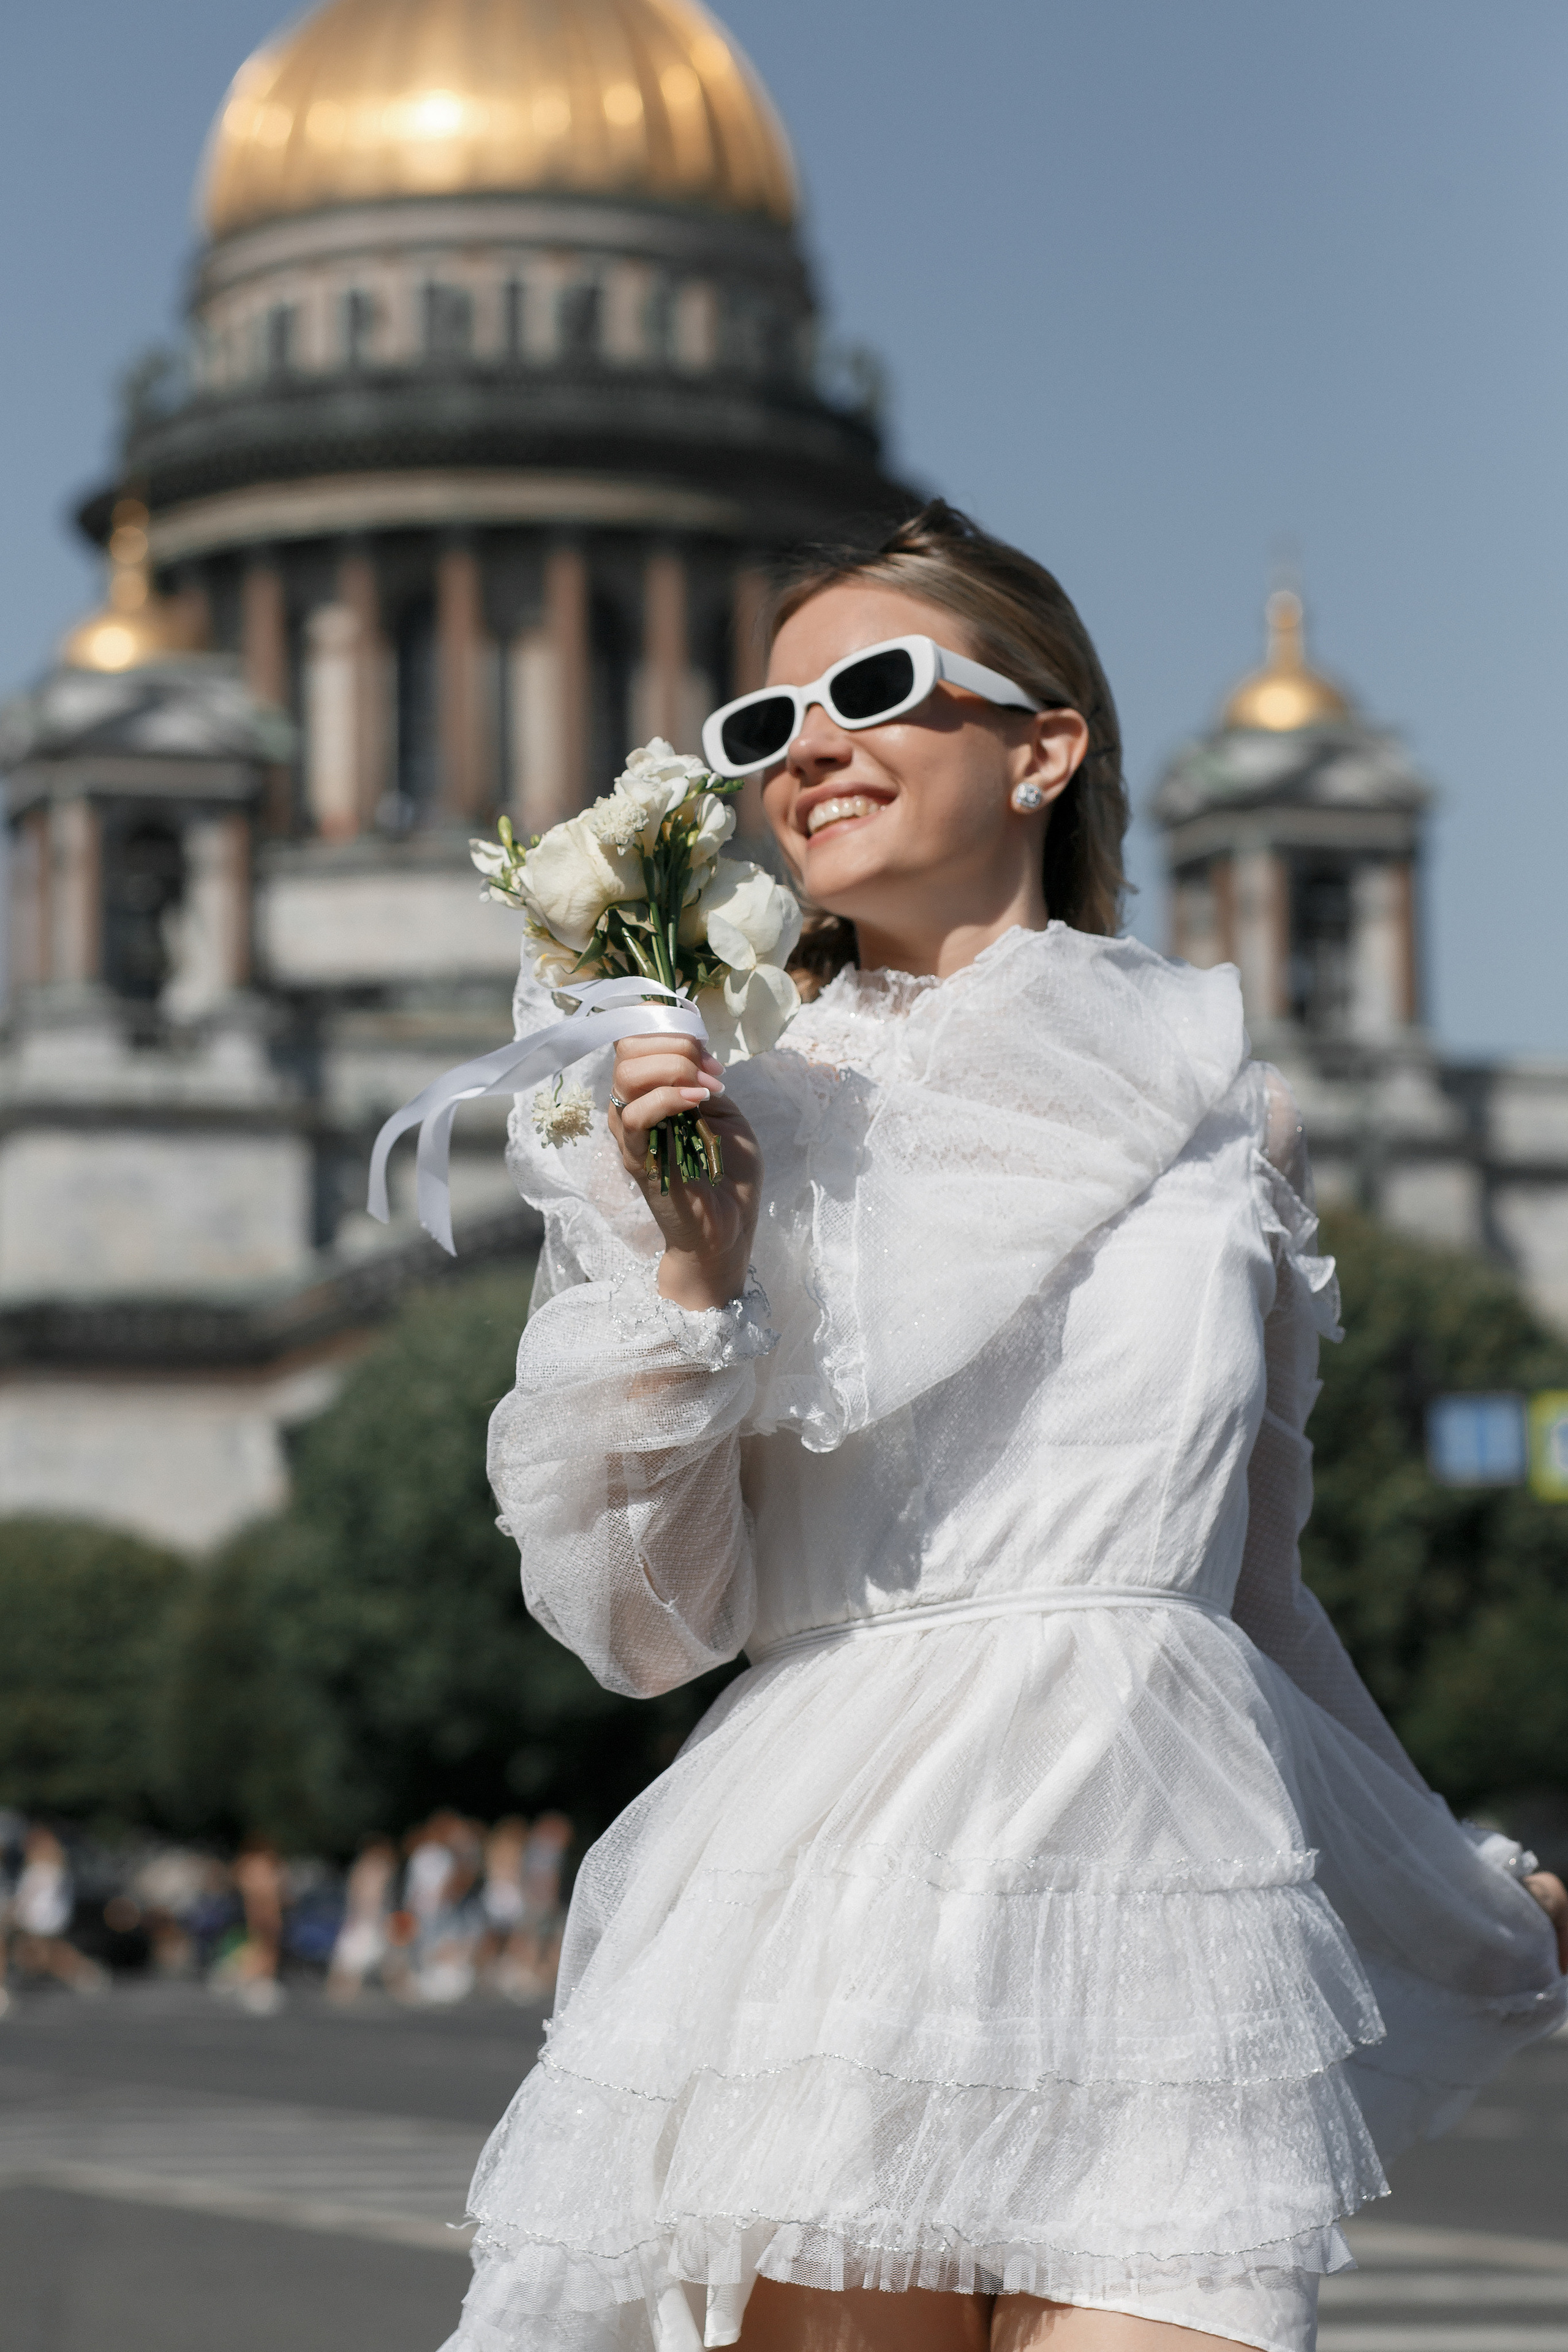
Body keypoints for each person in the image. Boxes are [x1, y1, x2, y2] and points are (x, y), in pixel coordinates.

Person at [442, 504, 1567, 2352]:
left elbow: (1253, 1595)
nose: (806, 747)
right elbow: (649, 1625)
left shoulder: (1233, 1106)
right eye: (764, 721)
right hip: (836, 1887)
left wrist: (1464, 1897)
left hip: (1163, 1911)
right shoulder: (715, 1110)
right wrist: (694, 1280)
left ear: (1045, 748)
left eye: (873, 689)